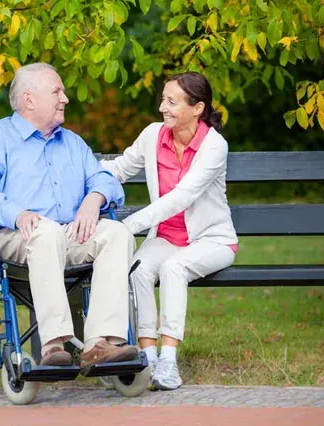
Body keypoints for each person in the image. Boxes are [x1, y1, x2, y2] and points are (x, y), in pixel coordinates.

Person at [0, 63, 138, 370]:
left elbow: (105, 180)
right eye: (57, 91)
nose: (65, 98)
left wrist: (94, 200)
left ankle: (102, 343)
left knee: (116, 233)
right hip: (15, 236)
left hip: (66, 233)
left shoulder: (71, 142)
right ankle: (54, 344)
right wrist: (17, 213)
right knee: (46, 232)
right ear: (29, 100)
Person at [101, 72, 238, 390]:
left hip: (211, 240)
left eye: (172, 101)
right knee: (137, 270)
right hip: (166, 237)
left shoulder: (214, 146)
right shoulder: (152, 136)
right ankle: (147, 359)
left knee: (173, 268)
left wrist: (130, 225)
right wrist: (78, 168)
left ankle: (168, 362)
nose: (163, 107)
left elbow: (182, 197)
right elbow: (120, 169)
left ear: (198, 108)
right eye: (163, 99)